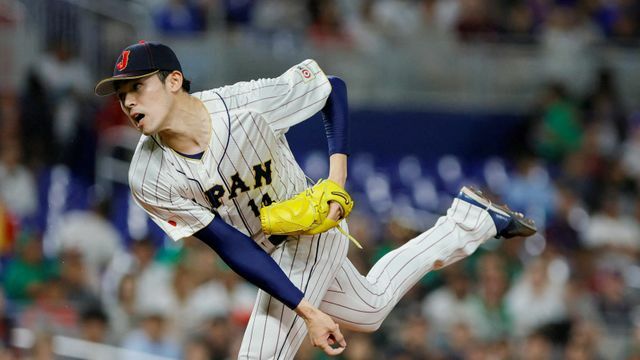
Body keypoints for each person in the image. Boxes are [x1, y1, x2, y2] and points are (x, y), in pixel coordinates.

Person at [94, 41, 536, 358]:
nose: (128, 102)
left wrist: (336, 180)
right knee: (371, 307)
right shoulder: (147, 174)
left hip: (311, 232)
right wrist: (306, 309)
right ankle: (470, 221)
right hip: (266, 250)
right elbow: (230, 245)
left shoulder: (245, 105)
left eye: (137, 86)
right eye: (121, 94)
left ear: (174, 81)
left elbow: (332, 88)